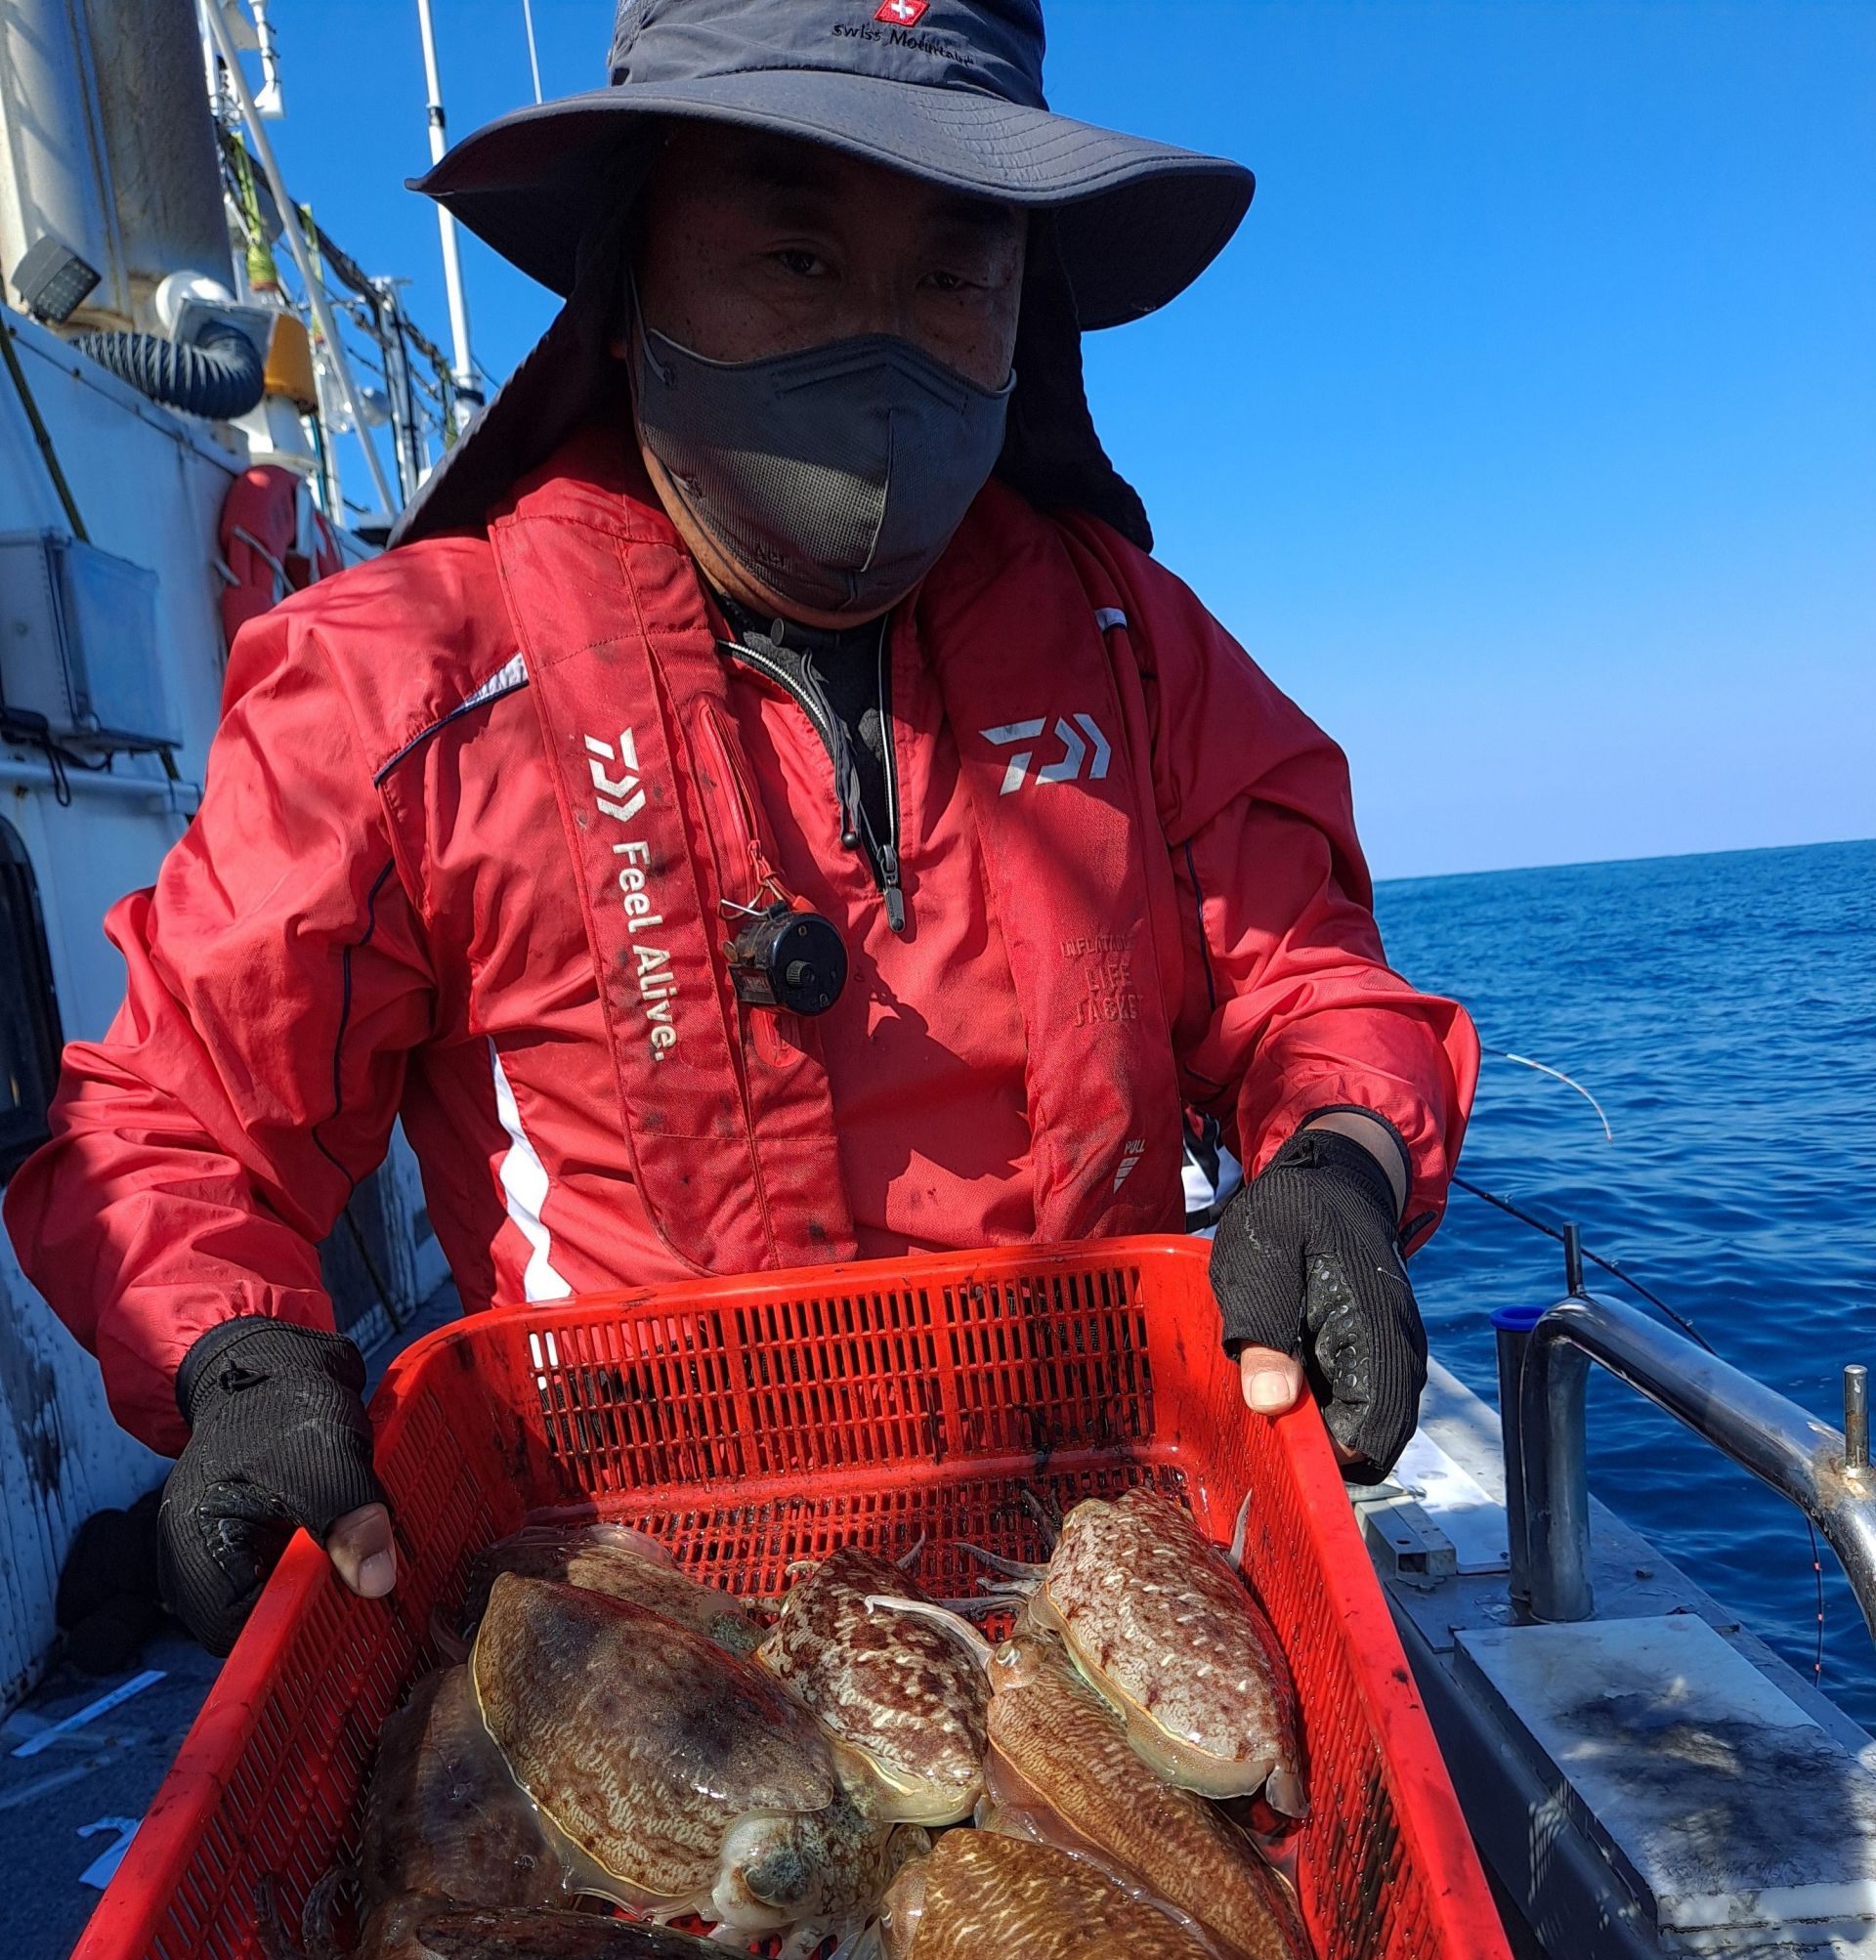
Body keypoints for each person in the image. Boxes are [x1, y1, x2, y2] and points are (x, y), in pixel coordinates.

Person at [3, 0, 1477, 1656]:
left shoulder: (1140, 645)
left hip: (1107, 1565)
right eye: (794, 253)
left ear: (1020, 319)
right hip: (640, 1610)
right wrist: (241, 1367)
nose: (882, 341)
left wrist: (1337, 1161)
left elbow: (1314, 991)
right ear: (633, 291)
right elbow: (174, 1125)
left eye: (951, 274)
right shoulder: (405, 686)